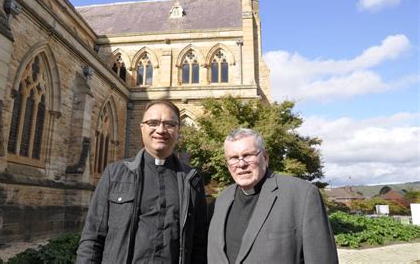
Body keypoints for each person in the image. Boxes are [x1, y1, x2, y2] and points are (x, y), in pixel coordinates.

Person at [76, 100, 208, 264]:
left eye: (169, 124)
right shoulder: (115, 174)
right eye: (153, 123)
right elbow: (92, 238)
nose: (160, 130)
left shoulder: (192, 179)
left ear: (178, 130)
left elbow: (199, 243)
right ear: (142, 128)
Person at [208, 128, 338, 264]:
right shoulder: (219, 202)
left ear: (265, 157)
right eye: (233, 158)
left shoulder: (301, 195)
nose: (241, 164)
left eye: (248, 155)